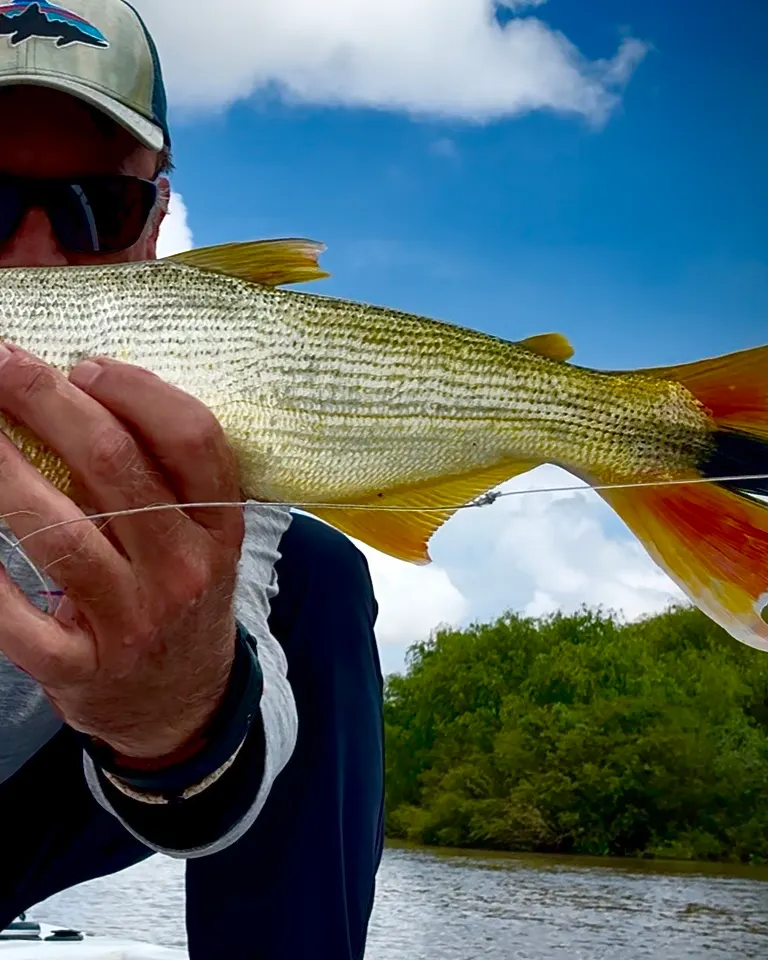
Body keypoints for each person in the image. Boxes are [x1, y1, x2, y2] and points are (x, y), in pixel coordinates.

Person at [0, 1, 385, 957]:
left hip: (34, 813)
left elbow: (214, 798)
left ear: (155, 217)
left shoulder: (201, 391)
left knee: (317, 577)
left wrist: (173, 719)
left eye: (98, 207)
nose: (34, 254)